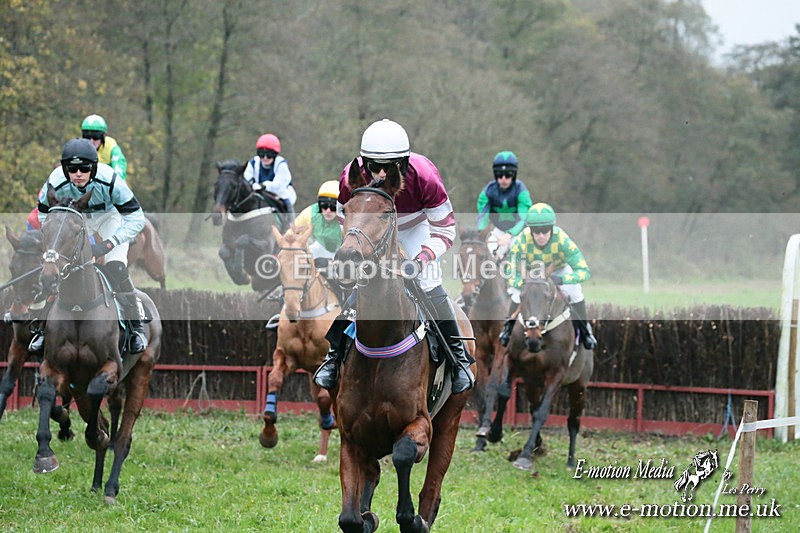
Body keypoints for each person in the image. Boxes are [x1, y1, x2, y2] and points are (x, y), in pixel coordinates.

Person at [312, 118, 475, 394]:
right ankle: (333, 358)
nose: (381, 174)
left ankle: (459, 361)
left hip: (416, 228)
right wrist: (359, 247)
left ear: (403, 162)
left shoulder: (424, 176)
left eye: (390, 167)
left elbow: (445, 227)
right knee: (363, 285)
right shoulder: (349, 176)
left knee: (427, 281)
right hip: (372, 228)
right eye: (374, 166)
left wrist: (420, 259)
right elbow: (344, 215)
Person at [29, 138, 148, 355]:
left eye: (84, 168)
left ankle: (135, 328)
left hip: (109, 219)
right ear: (64, 169)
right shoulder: (55, 181)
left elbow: (137, 218)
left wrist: (110, 243)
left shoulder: (110, 180)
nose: (78, 174)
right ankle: (43, 328)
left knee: (116, 267)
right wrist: (54, 241)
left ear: (94, 167)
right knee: (56, 269)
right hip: (73, 222)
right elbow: (44, 214)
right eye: (72, 169)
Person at [500, 202, 597, 350]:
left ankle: (585, 332)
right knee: (515, 294)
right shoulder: (522, 240)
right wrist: (521, 283)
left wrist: (563, 279)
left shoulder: (562, 240)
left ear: (552, 228)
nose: (541, 235)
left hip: (558, 271)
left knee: (575, 292)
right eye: (536, 230)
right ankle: (507, 329)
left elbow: (583, 271)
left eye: (545, 230)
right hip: (531, 274)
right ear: (530, 229)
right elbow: (509, 269)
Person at [476, 151, 532, 258]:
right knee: (489, 251)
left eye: (508, 174)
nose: (503, 179)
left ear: (514, 174)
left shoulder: (522, 192)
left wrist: (510, 234)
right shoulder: (487, 191)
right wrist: (481, 234)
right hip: (499, 231)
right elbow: (483, 216)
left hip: (519, 232)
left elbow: (523, 218)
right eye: (499, 174)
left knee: (517, 249)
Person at [244, 133, 297, 217]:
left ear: (275, 154)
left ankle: (291, 224)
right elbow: (247, 178)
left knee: (286, 199)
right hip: (257, 192)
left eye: (269, 154)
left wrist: (263, 186)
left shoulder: (281, 164)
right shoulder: (253, 162)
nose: (265, 158)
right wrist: (253, 185)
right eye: (261, 154)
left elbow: (278, 185)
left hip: (278, 193)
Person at [292, 180, 342, 263]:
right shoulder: (310, 213)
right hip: (319, 248)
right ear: (319, 205)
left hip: (341, 252)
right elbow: (291, 233)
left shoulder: (346, 217)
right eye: (324, 206)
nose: (328, 211)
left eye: (333, 207)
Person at [81, 114, 128, 180]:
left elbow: (119, 166)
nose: (91, 141)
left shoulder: (111, 145)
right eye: (87, 136)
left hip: (108, 183)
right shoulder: (79, 148)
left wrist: (118, 180)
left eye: (95, 136)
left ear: (103, 136)